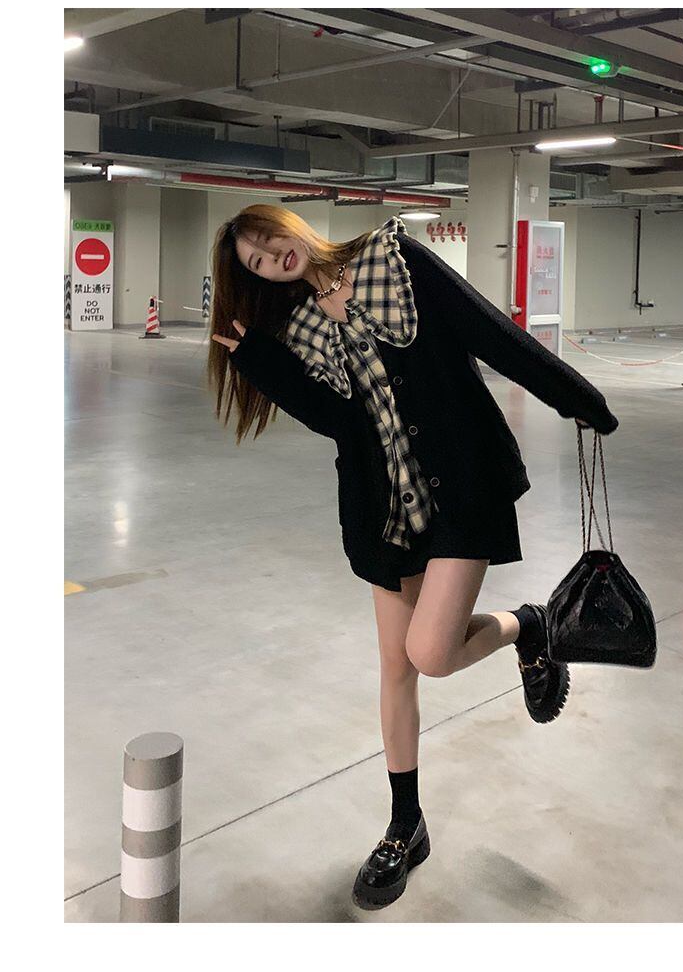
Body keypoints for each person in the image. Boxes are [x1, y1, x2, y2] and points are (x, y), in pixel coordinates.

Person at [208, 205, 619, 910]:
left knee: (430, 652)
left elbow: (492, 335)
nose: (271, 258)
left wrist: (577, 397)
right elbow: (340, 422)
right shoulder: (298, 328)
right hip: (384, 510)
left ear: (291, 225)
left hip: (463, 486)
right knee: (396, 666)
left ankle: (529, 625)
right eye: (255, 262)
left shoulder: (393, 260)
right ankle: (406, 825)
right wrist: (263, 364)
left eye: (269, 240)